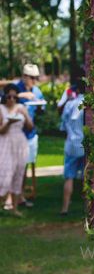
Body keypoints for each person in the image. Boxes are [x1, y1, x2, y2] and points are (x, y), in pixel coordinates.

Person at [0, 84, 33, 217]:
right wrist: (9, 122)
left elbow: (30, 127)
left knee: (18, 173)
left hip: (20, 143)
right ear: (5, 96)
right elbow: (1, 131)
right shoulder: (1, 109)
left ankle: (14, 208)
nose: (12, 99)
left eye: (15, 96)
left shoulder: (21, 108)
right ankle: (3, 203)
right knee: (4, 173)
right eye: (9, 96)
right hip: (5, 142)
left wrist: (25, 114)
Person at [16, 63, 46, 206]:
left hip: (30, 134)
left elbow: (41, 110)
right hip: (15, 134)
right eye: (32, 78)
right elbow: (2, 101)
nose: (34, 81)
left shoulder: (37, 91)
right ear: (25, 77)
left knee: (25, 166)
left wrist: (40, 106)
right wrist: (20, 95)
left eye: (36, 78)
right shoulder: (15, 88)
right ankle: (14, 197)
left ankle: (20, 196)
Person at [60, 78, 85, 215]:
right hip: (86, 144)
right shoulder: (90, 104)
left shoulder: (69, 105)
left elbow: (63, 126)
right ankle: (88, 207)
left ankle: (64, 208)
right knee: (87, 176)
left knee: (69, 177)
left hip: (71, 144)